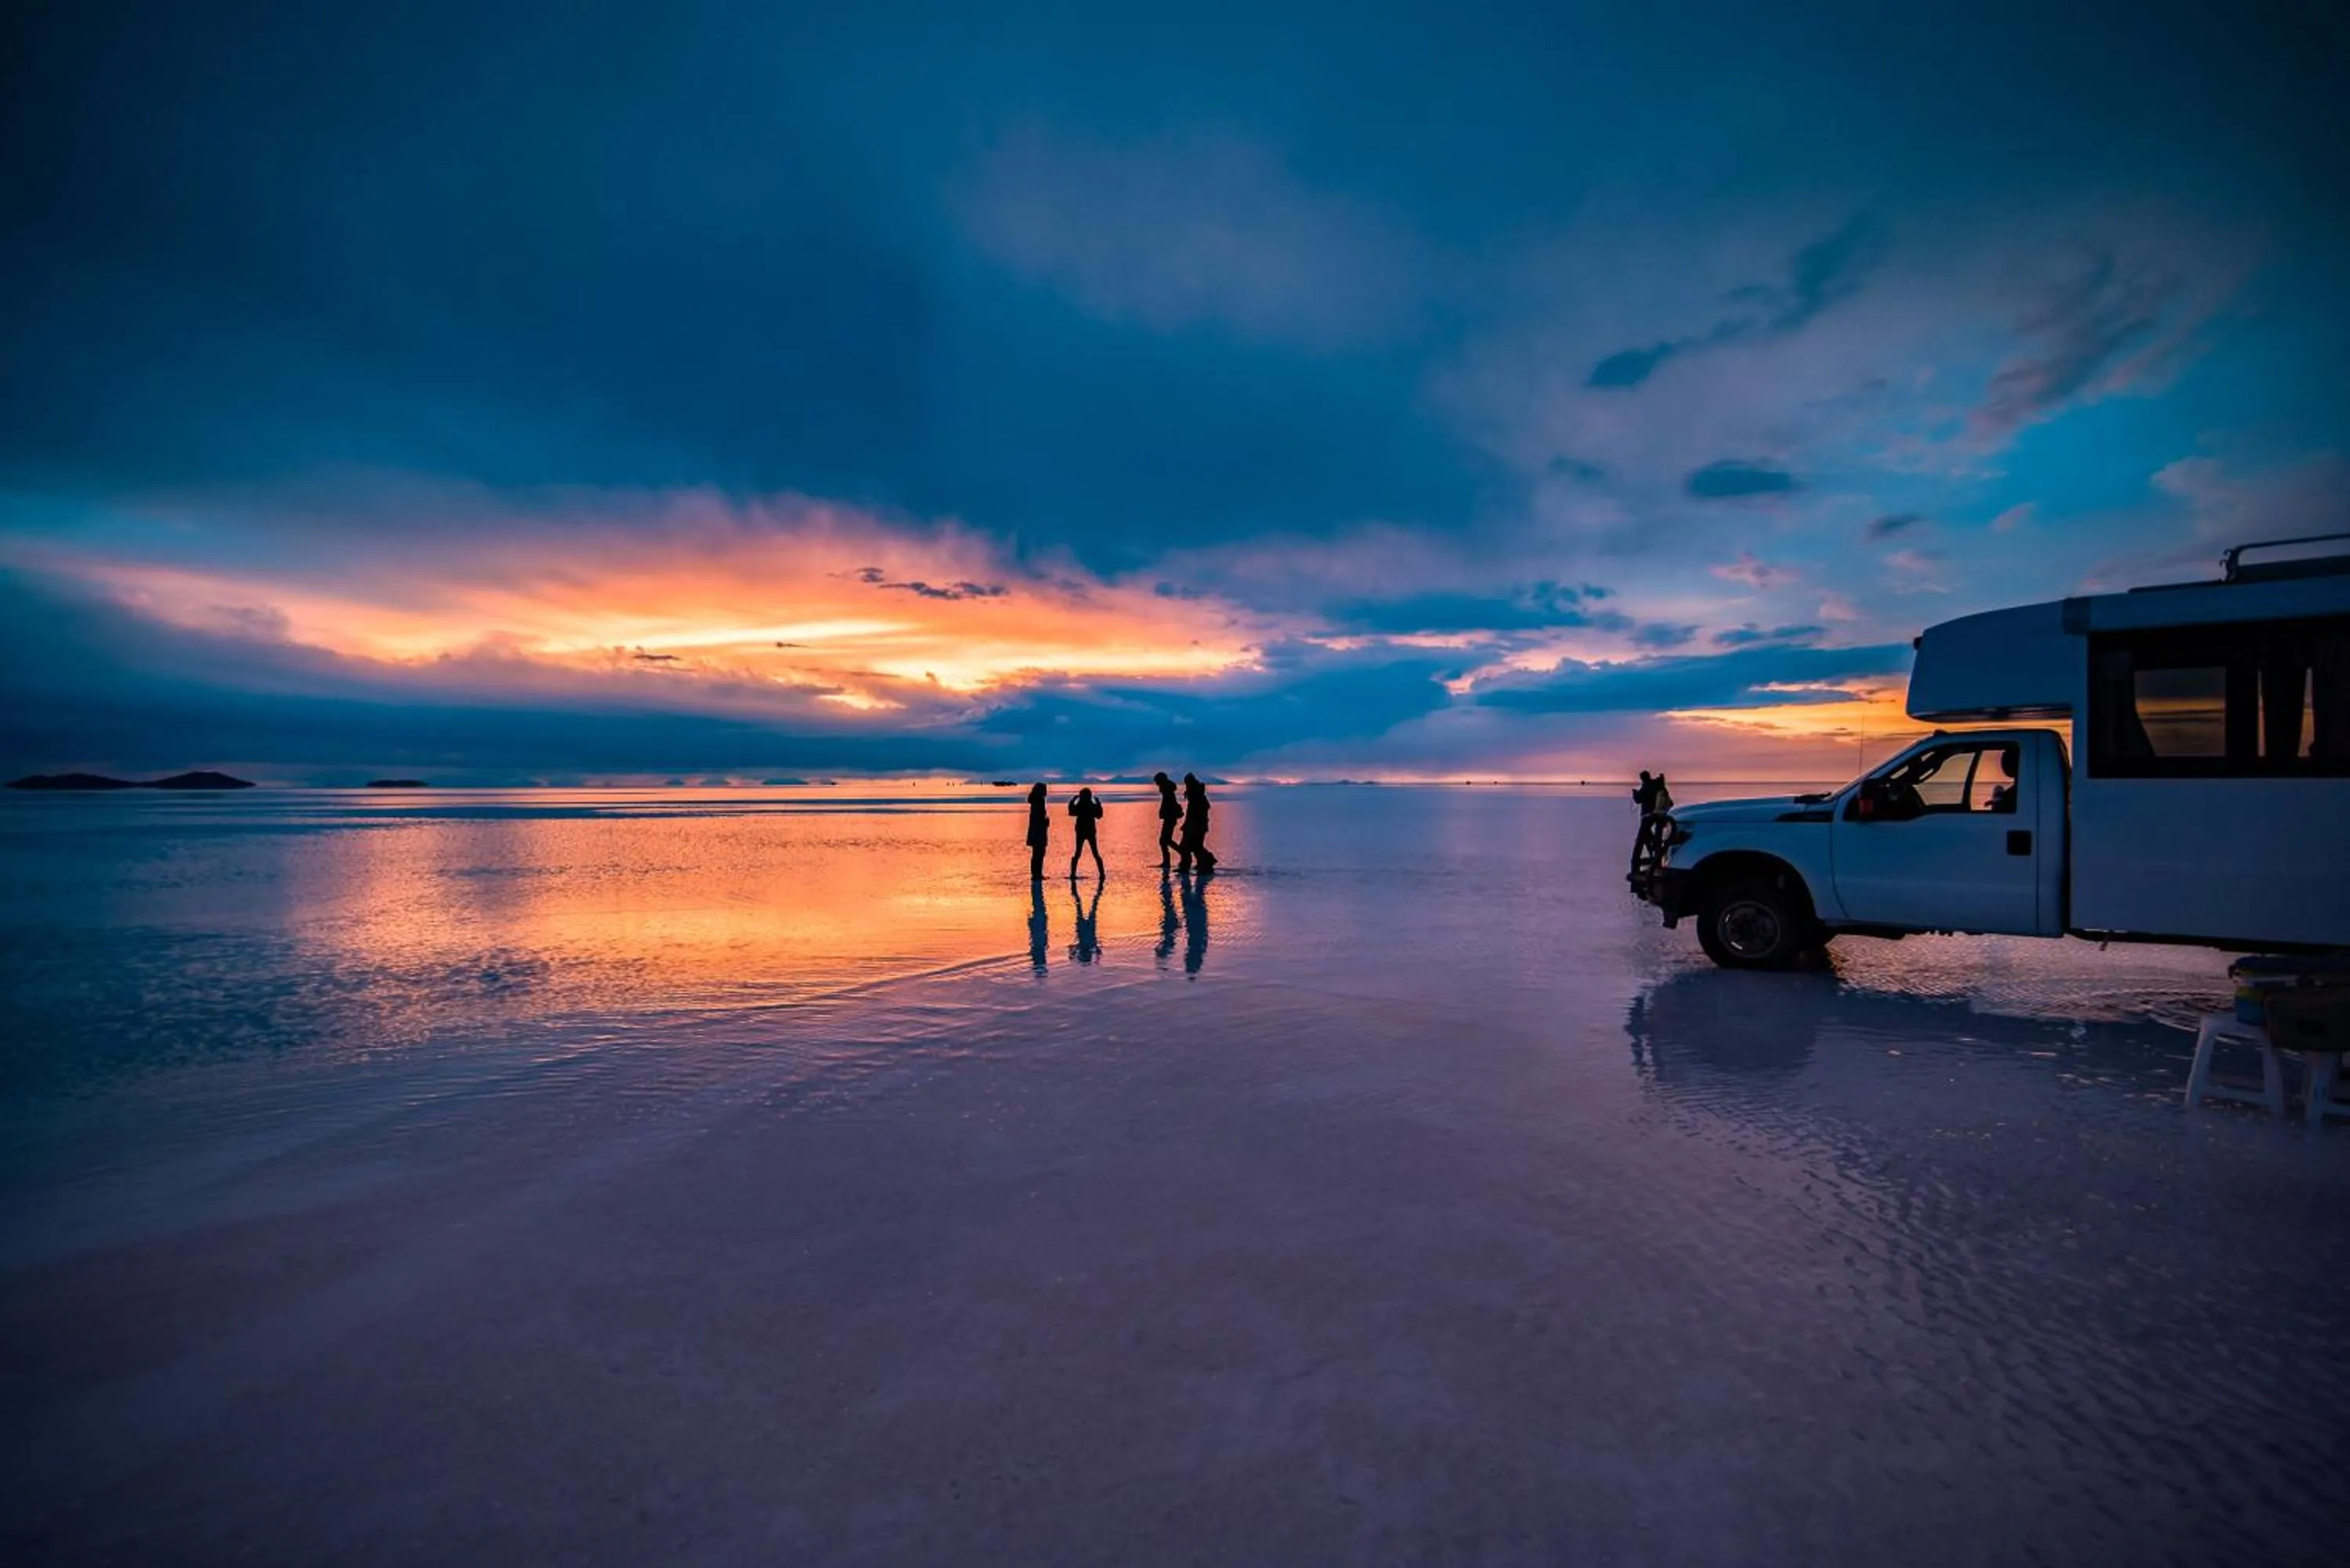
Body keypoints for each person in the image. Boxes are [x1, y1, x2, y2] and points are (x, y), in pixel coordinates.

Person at [1628, 769, 1674, 883]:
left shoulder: (1646, 786)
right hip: (1659, 814)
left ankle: (1653, 851)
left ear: (1642, 778)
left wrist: (1634, 794)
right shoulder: (1656, 785)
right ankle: (1655, 852)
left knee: (1644, 836)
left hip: (1648, 815)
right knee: (1650, 836)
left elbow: (1639, 799)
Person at [1176, 772, 1218, 872]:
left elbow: (1199, 811)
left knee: (1189, 846)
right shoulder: (1195, 794)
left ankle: (1189, 865)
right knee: (1195, 846)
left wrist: (1192, 824)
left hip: (1196, 826)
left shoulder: (1197, 795)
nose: (1186, 785)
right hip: (1194, 825)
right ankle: (1203, 863)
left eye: (1187, 783)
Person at [1067, 785, 1105, 878]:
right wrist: (1098, 804)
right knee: (1093, 853)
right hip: (1087, 832)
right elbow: (1099, 815)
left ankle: (1073, 874)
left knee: (1080, 853)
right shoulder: (1091, 806)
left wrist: (1073, 801)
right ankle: (1102, 874)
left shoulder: (1084, 806)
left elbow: (1071, 811)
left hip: (1084, 832)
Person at [1152, 771, 1183, 869]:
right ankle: (1168, 861)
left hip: (1170, 818)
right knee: (1165, 840)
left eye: (1157, 782)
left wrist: (1164, 813)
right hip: (1169, 818)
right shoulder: (1167, 791)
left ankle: (1182, 855)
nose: (1156, 784)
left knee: (1165, 840)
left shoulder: (1167, 791)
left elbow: (1169, 805)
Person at [1025, 782, 1049, 879]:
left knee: (1037, 853)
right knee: (1039, 853)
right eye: (1045, 789)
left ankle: (1036, 874)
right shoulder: (1039, 800)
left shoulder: (1035, 800)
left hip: (1035, 830)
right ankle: (1037, 874)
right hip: (1038, 831)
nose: (1046, 791)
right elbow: (1038, 816)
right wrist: (1045, 821)